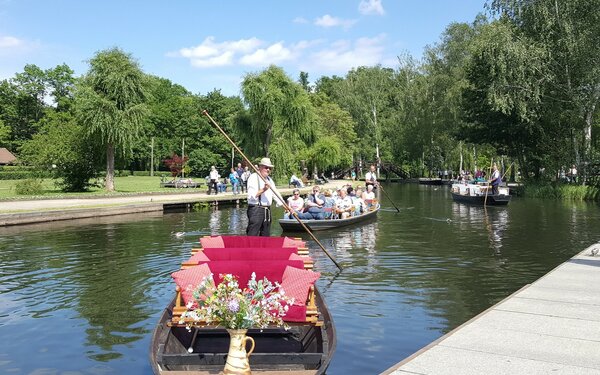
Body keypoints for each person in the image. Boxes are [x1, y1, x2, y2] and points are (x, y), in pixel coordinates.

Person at [246, 157, 284, 236]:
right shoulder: (253, 177)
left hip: (267, 211)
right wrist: (264, 189)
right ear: (260, 167)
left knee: (266, 235)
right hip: (256, 210)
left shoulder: (269, 180)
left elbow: (276, 194)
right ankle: (250, 247)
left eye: (270, 168)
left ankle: (263, 248)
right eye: (266, 167)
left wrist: (287, 207)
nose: (268, 170)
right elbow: (251, 196)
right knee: (252, 234)